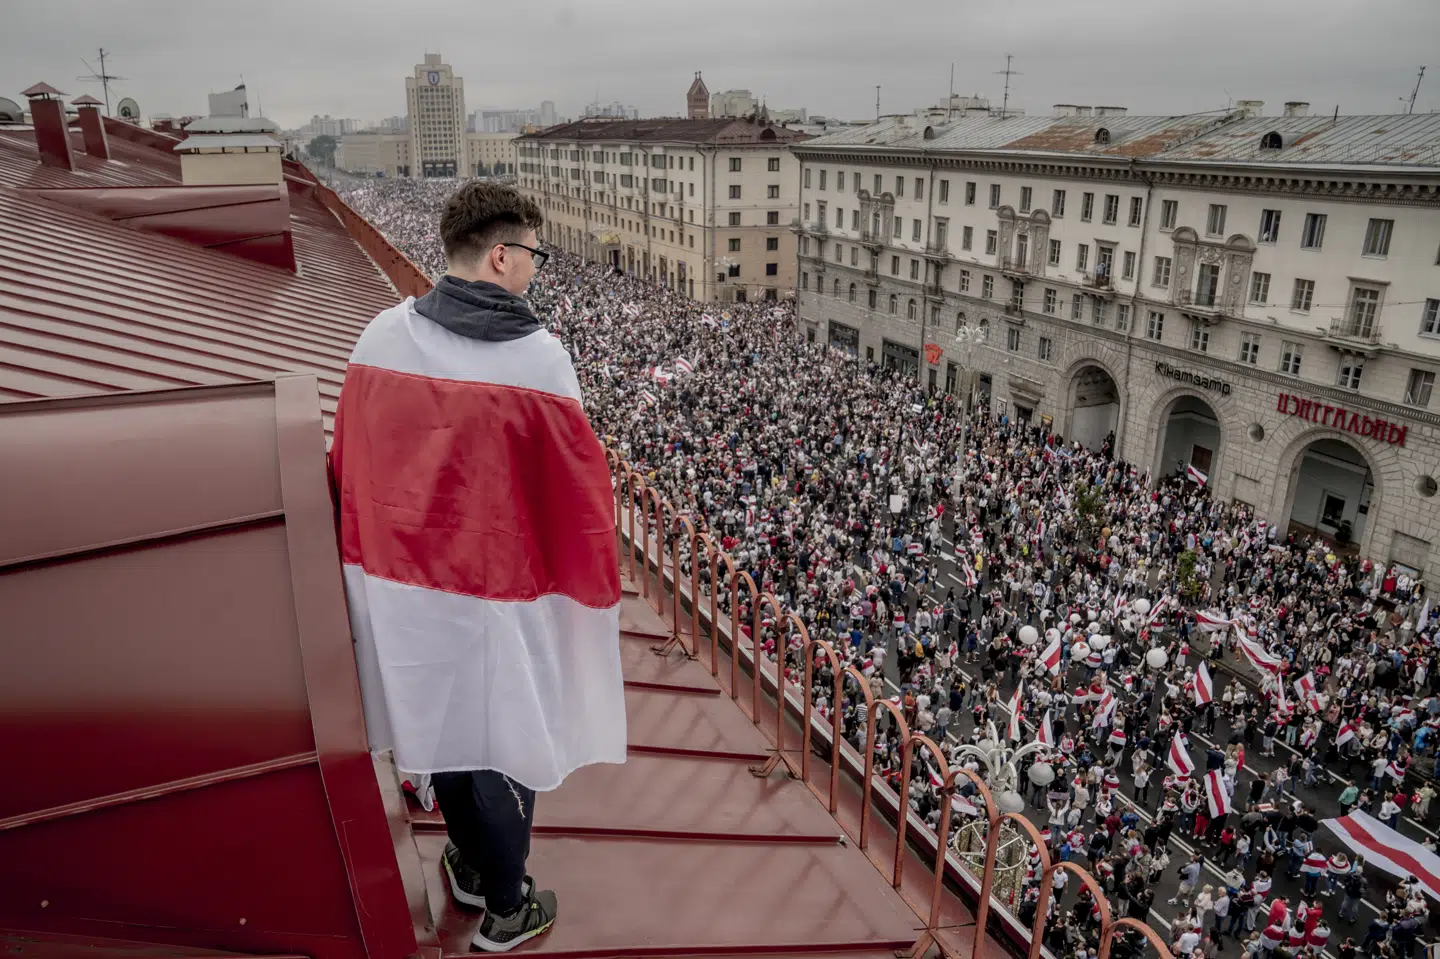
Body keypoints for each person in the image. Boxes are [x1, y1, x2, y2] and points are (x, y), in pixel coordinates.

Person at [333, 182, 624, 950]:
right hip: (500, 591)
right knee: (504, 740)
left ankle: (465, 864)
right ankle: (506, 904)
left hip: (404, 591)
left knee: (445, 726)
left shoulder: (379, 337)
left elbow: (349, 463)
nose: (534, 268)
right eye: (532, 254)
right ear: (501, 255)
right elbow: (578, 490)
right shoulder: (538, 357)